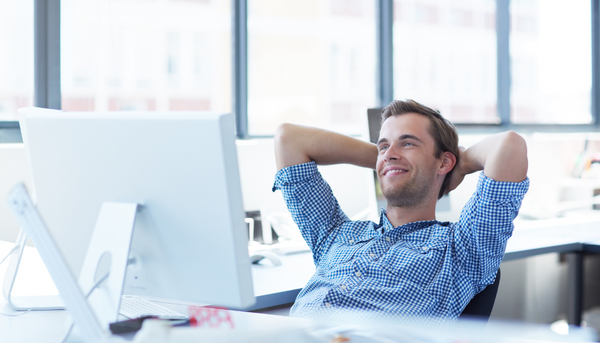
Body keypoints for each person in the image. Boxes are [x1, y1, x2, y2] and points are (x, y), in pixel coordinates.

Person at [272, 99, 529, 323]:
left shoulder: (461, 250)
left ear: (444, 161)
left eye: (407, 143)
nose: (389, 153)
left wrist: (457, 166)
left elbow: (509, 146)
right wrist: (388, 160)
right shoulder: (335, 234)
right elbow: (288, 138)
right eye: (382, 146)